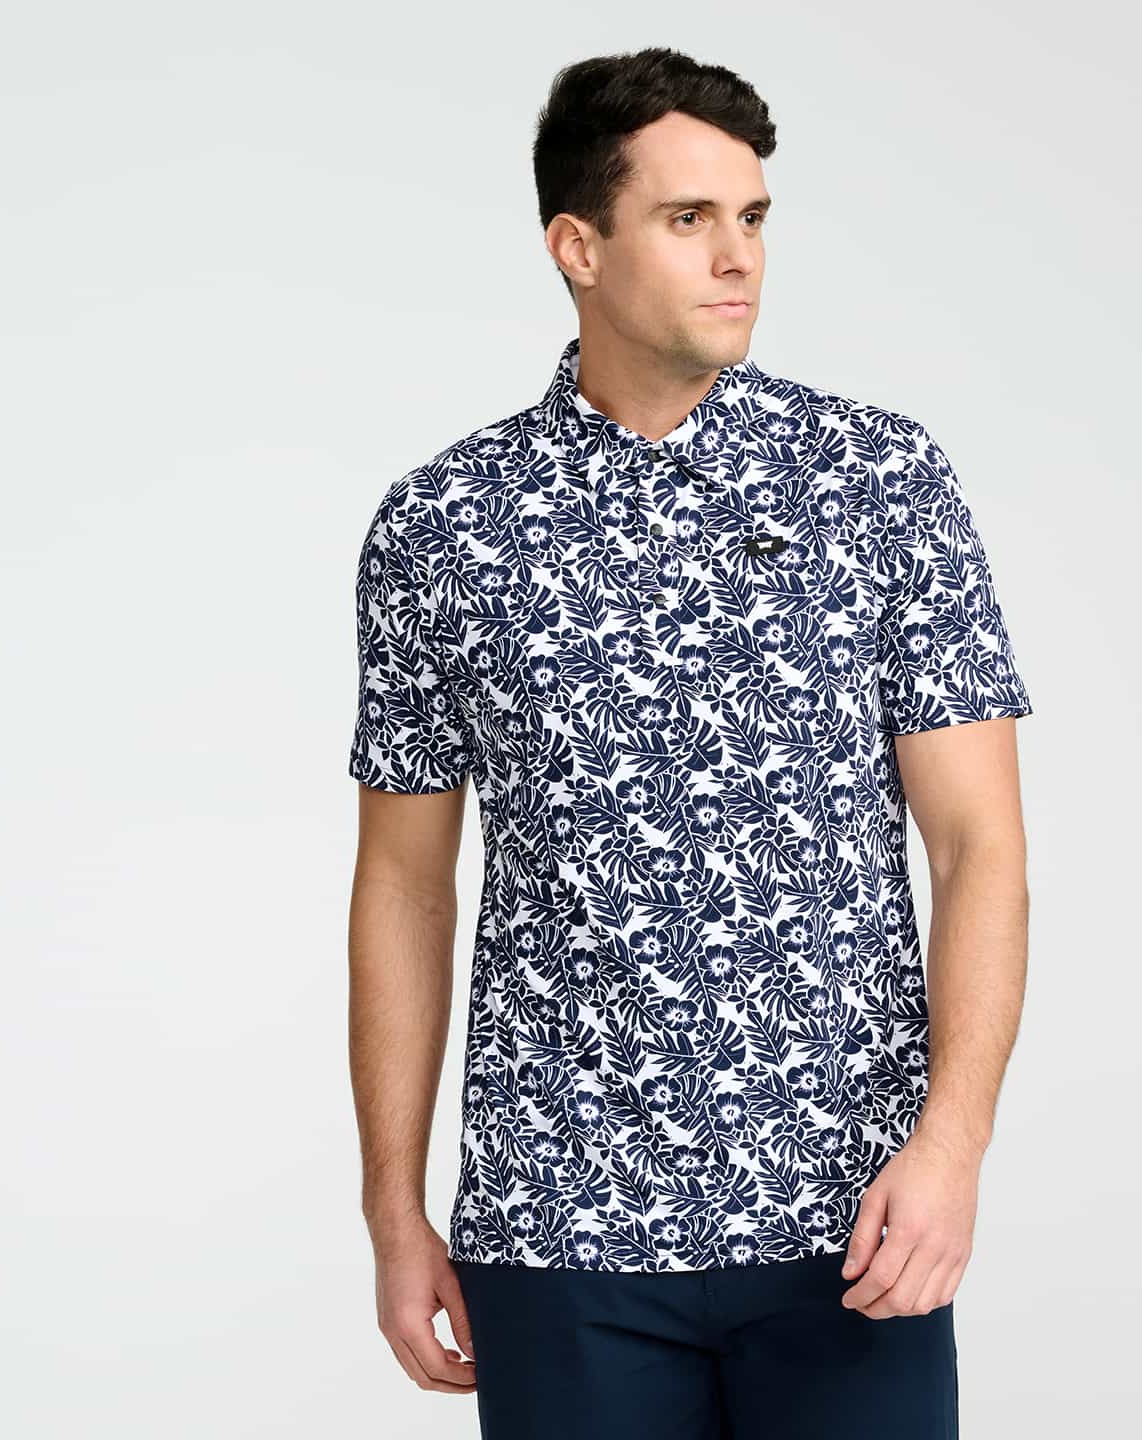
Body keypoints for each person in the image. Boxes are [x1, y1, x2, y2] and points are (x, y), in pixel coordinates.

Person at [346, 45, 1034, 1440]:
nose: (739, 257)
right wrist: (393, 1211)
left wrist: (952, 1147)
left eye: (754, 218)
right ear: (577, 247)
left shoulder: (878, 481)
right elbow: (405, 885)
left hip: (850, 1219)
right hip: (558, 1227)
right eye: (688, 218)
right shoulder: (445, 524)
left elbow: (978, 846)